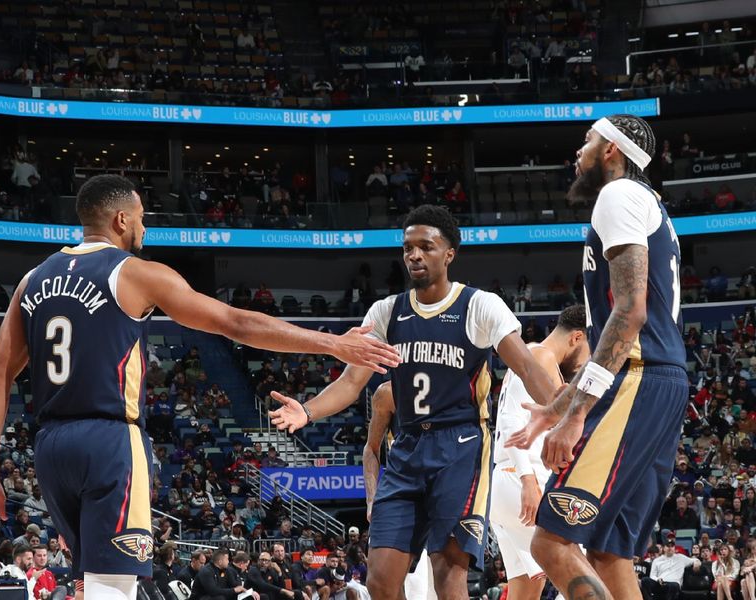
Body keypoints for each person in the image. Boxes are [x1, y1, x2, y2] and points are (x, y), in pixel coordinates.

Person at [0, 174, 399, 600]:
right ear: (121, 219)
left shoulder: (33, 279)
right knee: (111, 588)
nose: (145, 228)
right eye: (141, 218)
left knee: (85, 581)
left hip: (50, 446)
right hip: (107, 440)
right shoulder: (133, 273)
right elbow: (234, 322)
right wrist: (332, 344)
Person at [270, 204, 556, 600]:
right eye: (408, 248)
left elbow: (526, 366)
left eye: (426, 246)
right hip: (406, 449)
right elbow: (352, 382)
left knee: (448, 570)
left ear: (449, 253)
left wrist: (566, 413)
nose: (415, 255)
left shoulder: (480, 305)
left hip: (461, 446)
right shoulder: (387, 312)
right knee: (381, 581)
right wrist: (308, 410)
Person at [508, 114, 689, 599]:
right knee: (610, 551)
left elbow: (629, 314)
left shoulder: (619, 195)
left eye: (587, 141)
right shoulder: (649, 205)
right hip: (660, 382)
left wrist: (577, 415)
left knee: (551, 544)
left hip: (637, 379)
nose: (578, 152)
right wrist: (559, 405)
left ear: (612, 149)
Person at [490, 305, 590, 600]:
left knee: (525, 588)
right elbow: (510, 420)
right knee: (579, 568)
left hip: (506, 482)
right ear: (577, 337)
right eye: (589, 349)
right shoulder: (540, 356)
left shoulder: (538, 361)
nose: (587, 360)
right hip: (521, 477)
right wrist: (527, 480)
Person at [362, 381, 436, 600]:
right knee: (384, 585)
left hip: (443, 487)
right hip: (402, 492)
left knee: (437, 588)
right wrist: (372, 499)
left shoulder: (453, 385)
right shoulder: (388, 392)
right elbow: (371, 449)